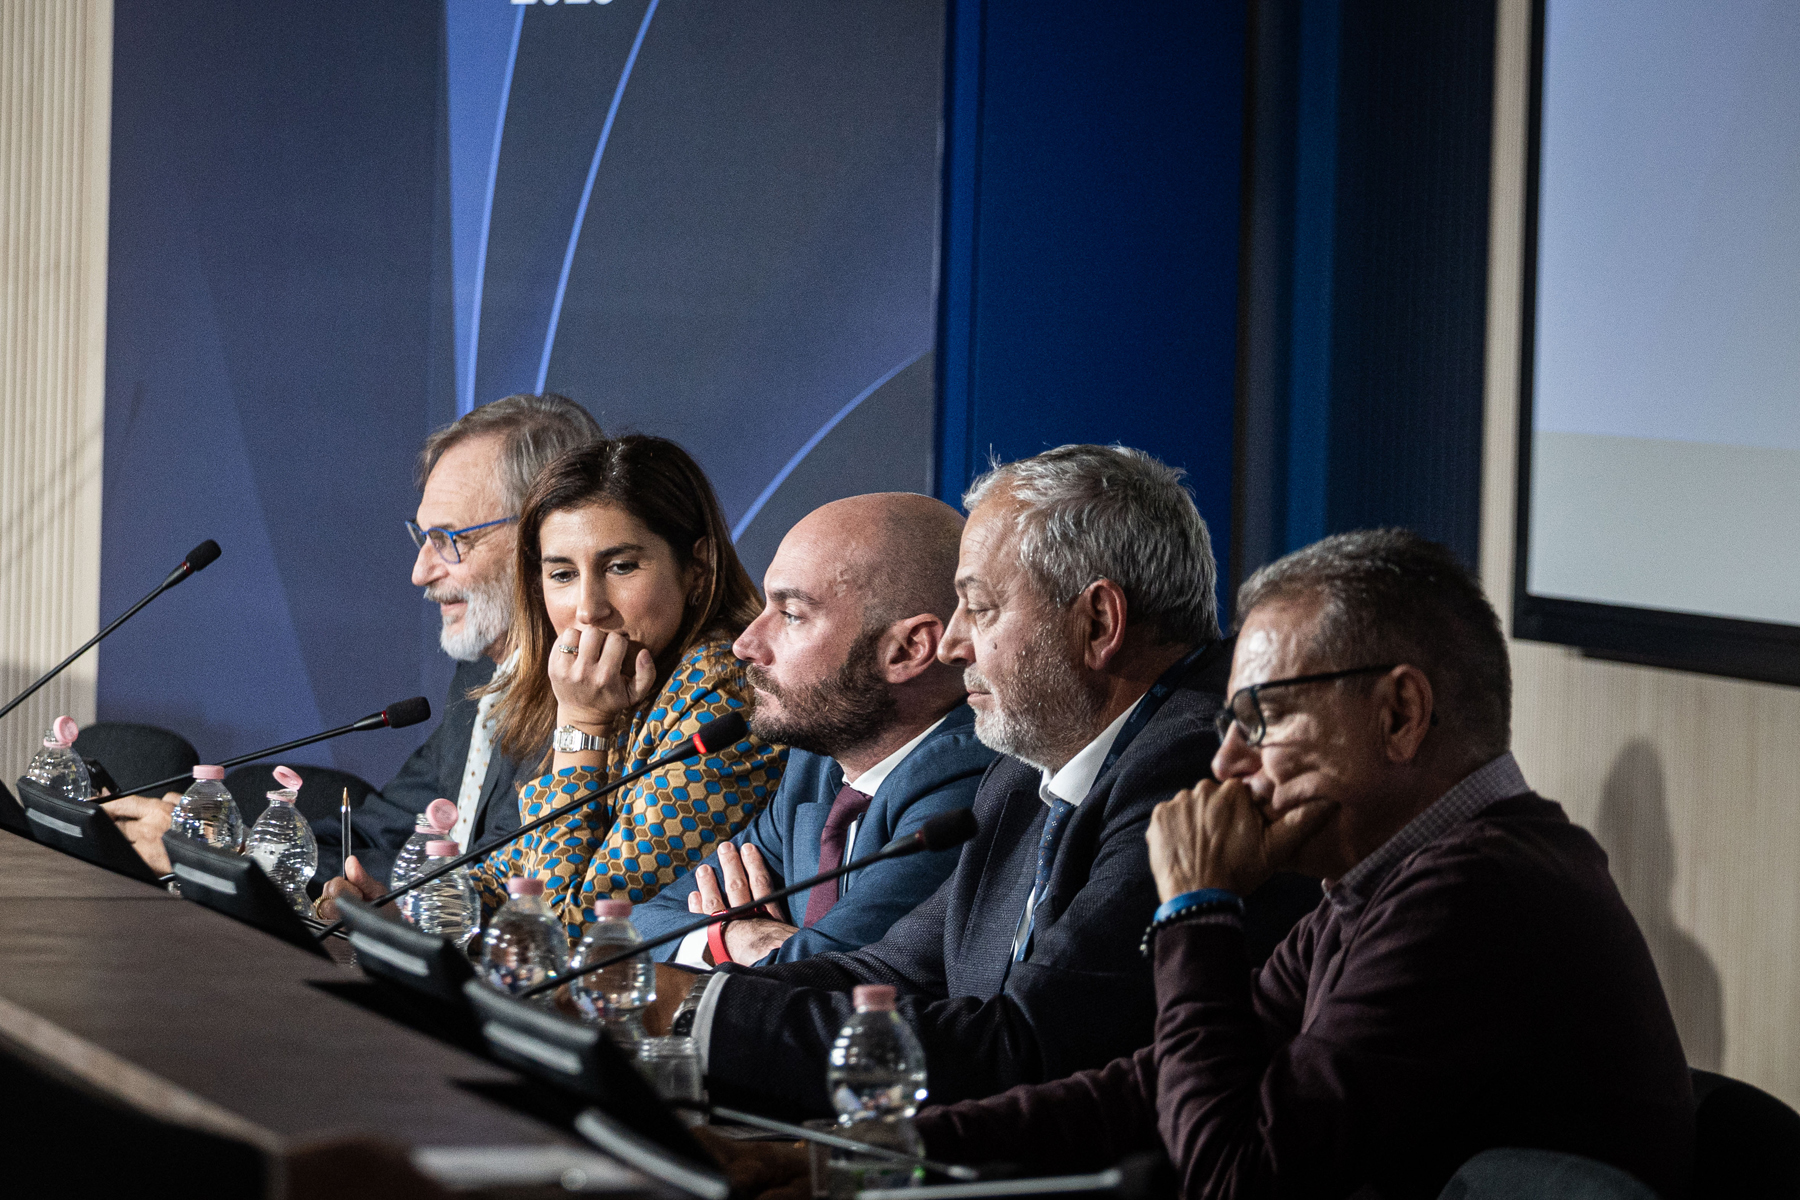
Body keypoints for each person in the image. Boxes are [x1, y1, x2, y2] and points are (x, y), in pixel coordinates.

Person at [910, 529, 1695, 1199]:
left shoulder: (1478, 895)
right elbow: (1149, 1091)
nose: (1226, 762)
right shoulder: (1393, 878)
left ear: (1400, 714)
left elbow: (1236, 1180)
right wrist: (899, 1146)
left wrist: (1197, 909)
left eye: (1262, 719)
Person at [646, 445, 1313, 1118]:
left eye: (980, 608)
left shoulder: (1196, 769)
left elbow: (1027, 1048)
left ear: (1098, 623)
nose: (952, 644)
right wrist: (681, 1002)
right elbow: (889, 972)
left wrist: (694, 1014)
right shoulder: (1023, 773)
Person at [103, 393, 601, 882]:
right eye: (422, 537)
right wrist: (239, 846)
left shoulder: (589, 695)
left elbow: (488, 879)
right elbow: (381, 834)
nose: (420, 572)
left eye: (449, 540)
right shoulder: (482, 673)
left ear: (543, 538)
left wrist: (231, 854)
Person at [325, 434, 787, 937]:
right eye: (563, 574)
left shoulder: (727, 699)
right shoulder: (613, 677)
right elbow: (515, 872)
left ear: (698, 567)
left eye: (621, 566)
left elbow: (572, 924)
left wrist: (582, 724)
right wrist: (407, 913)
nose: (589, 608)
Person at [633, 493, 996, 966]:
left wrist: (735, 944)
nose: (745, 644)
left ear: (907, 650)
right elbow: (638, 927)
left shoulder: (966, 784)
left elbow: (819, 974)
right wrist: (734, 938)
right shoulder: (817, 765)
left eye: (791, 614)